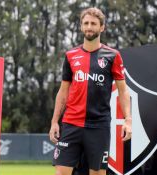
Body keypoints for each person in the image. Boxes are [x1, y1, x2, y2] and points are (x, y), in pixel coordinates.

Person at [49, 7, 132, 175]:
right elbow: (63, 91)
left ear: (102, 27)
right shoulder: (71, 55)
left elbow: (123, 91)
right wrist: (54, 122)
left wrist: (128, 120)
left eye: (93, 23)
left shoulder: (112, 56)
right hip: (71, 123)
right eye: (86, 23)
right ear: (80, 27)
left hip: (98, 126)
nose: (89, 27)